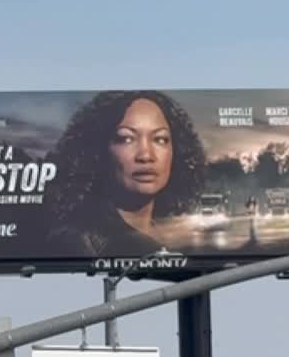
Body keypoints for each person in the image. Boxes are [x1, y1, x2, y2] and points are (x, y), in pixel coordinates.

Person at [45, 89, 206, 257]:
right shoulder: (76, 240)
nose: (146, 155)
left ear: (176, 150)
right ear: (98, 149)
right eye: (126, 139)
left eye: (160, 139)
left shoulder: (170, 232)